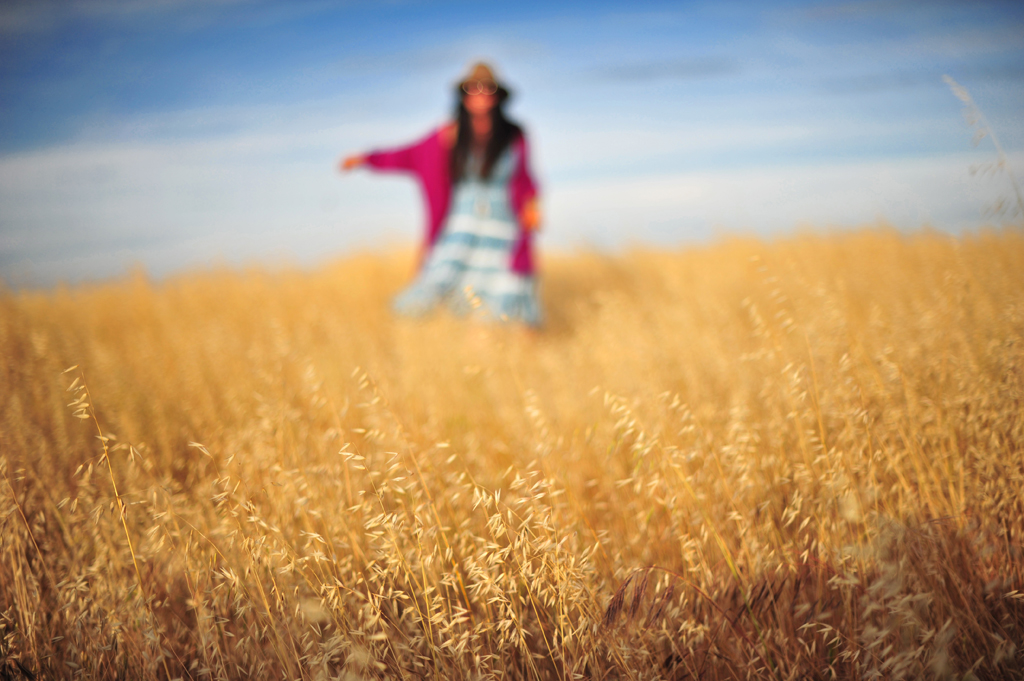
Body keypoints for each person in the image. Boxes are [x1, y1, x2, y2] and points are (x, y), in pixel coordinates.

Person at [340, 62, 542, 326]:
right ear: (464, 95)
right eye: (473, 88)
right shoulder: (449, 135)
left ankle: (499, 347)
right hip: (462, 223)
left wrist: (532, 206)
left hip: (503, 224)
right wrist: (367, 158)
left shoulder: (514, 135)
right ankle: (396, 329)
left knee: (505, 287)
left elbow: (525, 177)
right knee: (444, 279)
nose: (480, 93)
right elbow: (407, 155)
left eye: (487, 88)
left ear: (497, 95)